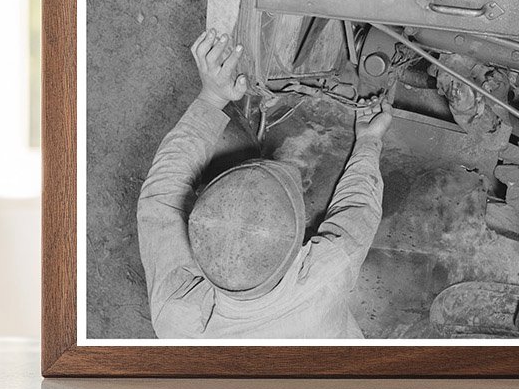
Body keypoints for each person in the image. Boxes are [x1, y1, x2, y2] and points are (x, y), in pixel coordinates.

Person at [137, 27, 392, 339]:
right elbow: (357, 209)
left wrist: (211, 97)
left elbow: (160, 197)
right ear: (300, 246)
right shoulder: (326, 277)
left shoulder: (176, 318)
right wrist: (367, 140)